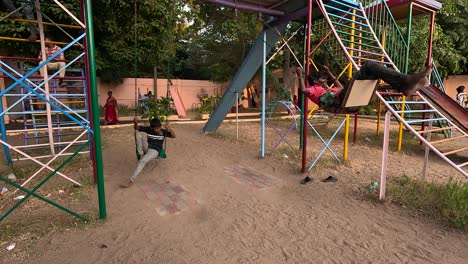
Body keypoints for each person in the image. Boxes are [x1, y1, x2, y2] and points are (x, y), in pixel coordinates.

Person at [296, 62, 432, 113]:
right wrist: (299, 75)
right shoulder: (314, 90)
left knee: (373, 74)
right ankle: (406, 82)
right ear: (315, 82)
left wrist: (328, 73)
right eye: (321, 79)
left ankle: (404, 85)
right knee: (368, 67)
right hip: (344, 103)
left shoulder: (327, 91)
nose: (323, 80)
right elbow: (303, 90)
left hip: (351, 103)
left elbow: (340, 86)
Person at [120, 118, 176, 188]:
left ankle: (131, 180)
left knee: (142, 161)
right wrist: (135, 122)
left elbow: (174, 136)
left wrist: (169, 129)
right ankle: (140, 154)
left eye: (159, 128)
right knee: (137, 132)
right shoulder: (149, 129)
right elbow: (136, 128)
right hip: (147, 147)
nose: (158, 130)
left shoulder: (163, 132)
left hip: (155, 151)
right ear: (152, 128)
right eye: (155, 128)